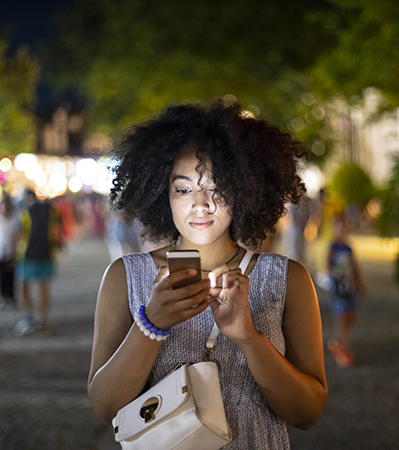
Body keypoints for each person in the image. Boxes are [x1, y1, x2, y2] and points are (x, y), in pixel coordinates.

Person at [88, 101, 328, 448]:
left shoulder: (286, 279)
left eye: (217, 188)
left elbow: (307, 414)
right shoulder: (125, 277)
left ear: (246, 190)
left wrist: (249, 338)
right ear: (162, 194)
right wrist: (151, 324)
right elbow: (105, 406)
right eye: (183, 189)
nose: (201, 204)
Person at [14, 190, 62, 337]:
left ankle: (28, 319)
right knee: (43, 289)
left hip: (27, 255)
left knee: (23, 288)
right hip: (46, 254)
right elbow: (57, 231)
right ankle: (42, 321)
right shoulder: (51, 212)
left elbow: (18, 234)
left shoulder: (25, 213)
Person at [326, 214, 367, 368]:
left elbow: (355, 266)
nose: (343, 229)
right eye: (340, 225)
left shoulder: (349, 247)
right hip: (339, 287)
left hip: (350, 287)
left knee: (350, 315)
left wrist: (360, 284)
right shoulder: (333, 247)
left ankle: (339, 344)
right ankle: (342, 349)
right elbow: (327, 266)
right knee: (341, 316)